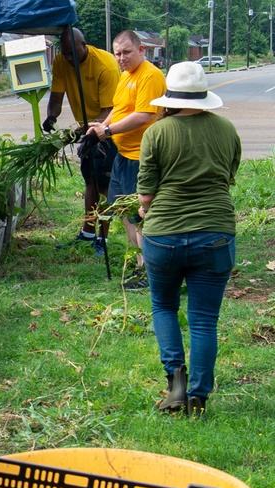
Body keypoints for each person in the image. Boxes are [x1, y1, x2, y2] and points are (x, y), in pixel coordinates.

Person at [136, 62, 241, 418]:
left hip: (163, 236)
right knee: (203, 320)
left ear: (170, 96)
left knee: (164, 306)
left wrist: (143, 210)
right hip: (215, 234)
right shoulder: (227, 129)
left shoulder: (157, 132)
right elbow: (228, 177)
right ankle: (199, 397)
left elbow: (146, 196)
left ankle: (175, 383)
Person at [86, 30, 166, 289]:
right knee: (124, 212)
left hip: (141, 157)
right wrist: (101, 125)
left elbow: (144, 115)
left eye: (127, 52)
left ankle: (149, 272)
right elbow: (119, 110)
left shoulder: (150, 76)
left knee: (142, 214)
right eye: (117, 53)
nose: (121, 58)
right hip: (123, 156)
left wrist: (107, 132)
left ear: (141, 50)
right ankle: (140, 263)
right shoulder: (125, 76)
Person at [44, 27, 120, 256]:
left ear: (83, 45)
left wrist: (81, 131)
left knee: (104, 185)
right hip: (86, 130)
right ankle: (87, 233)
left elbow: (110, 111)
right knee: (90, 180)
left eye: (72, 54)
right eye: (65, 53)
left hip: (109, 130)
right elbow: (56, 97)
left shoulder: (104, 65)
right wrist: (51, 117)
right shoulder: (61, 62)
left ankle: (102, 237)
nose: (68, 59)